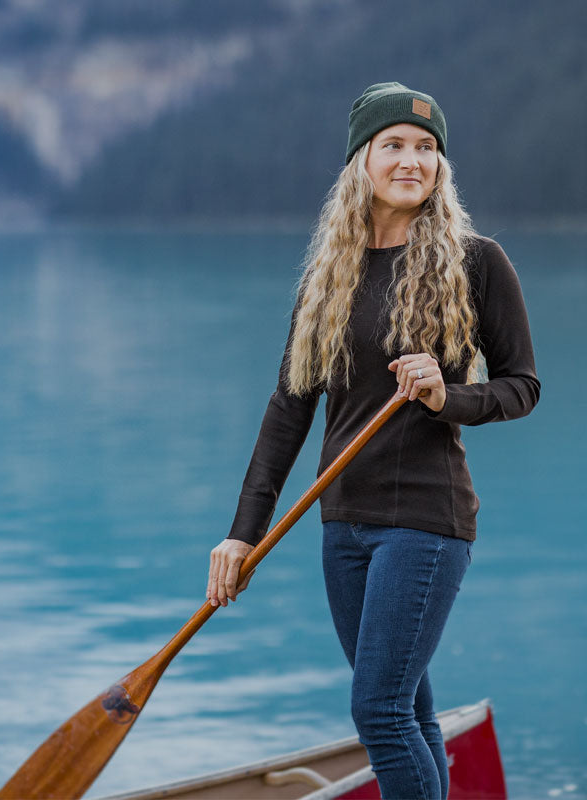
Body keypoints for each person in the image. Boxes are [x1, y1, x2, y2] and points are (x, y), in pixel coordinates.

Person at [206, 82, 540, 800]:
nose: (413, 160)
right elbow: (288, 409)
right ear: (362, 160)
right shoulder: (331, 277)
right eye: (394, 145)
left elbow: (521, 386)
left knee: (378, 710)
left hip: (425, 521)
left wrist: (447, 394)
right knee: (408, 709)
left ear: (442, 166)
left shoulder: (476, 262)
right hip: (342, 524)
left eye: (428, 149)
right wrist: (243, 534)